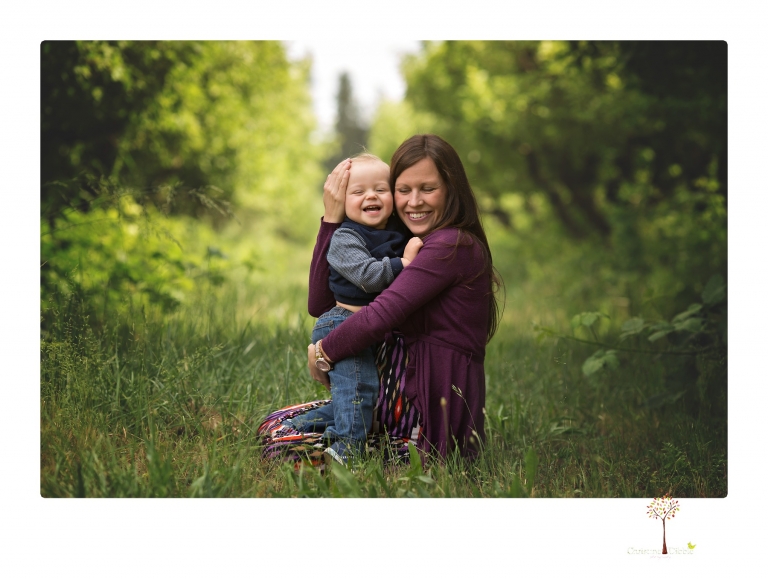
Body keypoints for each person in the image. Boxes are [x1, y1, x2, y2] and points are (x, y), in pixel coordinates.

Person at [260, 134, 502, 464]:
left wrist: (324, 351)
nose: (414, 201)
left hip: (425, 419)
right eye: (404, 190)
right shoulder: (410, 241)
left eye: (427, 188)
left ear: (451, 189)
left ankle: (355, 454)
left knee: (279, 442)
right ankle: (360, 431)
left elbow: (381, 314)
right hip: (391, 400)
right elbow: (321, 303)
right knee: (274, 422)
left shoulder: (450, 246)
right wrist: (332, 220)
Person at [283, 153, 423, 466]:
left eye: (380, 189)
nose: (371, 196)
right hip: (342, 322)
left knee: (358, 395)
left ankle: (299, 426)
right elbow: (367, 276)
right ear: (341, 202)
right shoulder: (346, 237)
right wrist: (407, 262)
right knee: (359, 387)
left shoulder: (397, 231)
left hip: (371, 325)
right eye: (357, 192)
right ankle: (346, 452)